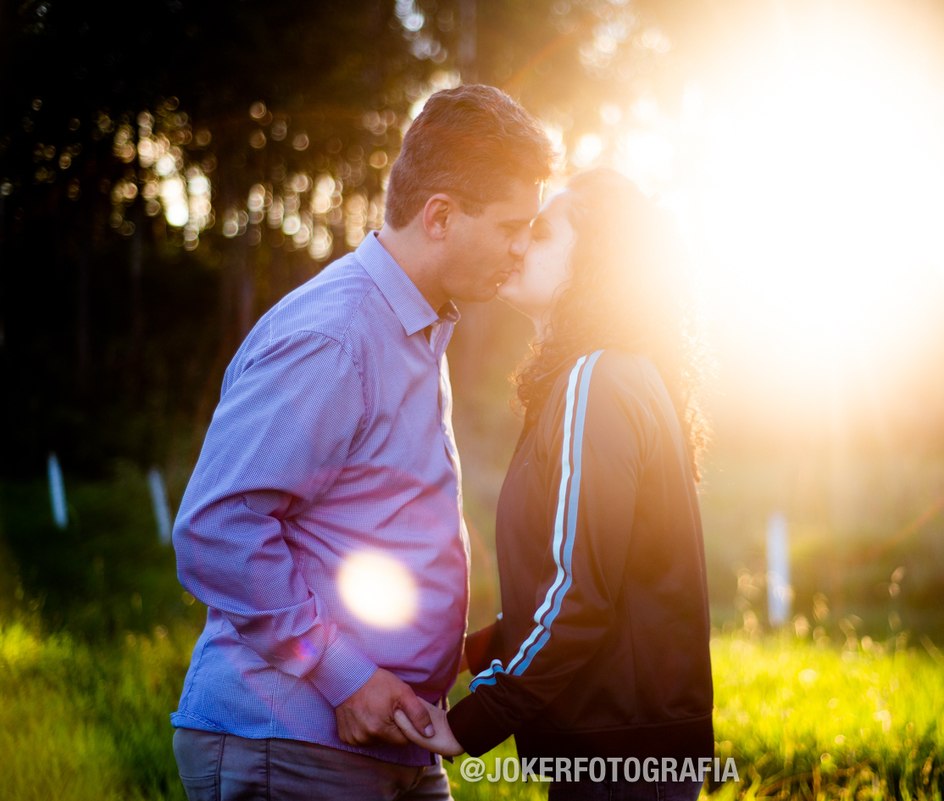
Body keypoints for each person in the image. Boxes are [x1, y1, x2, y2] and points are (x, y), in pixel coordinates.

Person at [169, 84, 554, 801]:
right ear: (439, 215)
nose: (522, 246)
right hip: (291, 742)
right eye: (512, 224)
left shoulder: (417, 324)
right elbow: (217, 527)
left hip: (390, 738)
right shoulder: (334, 336)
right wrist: (345, 674)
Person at [395, 168, 715, 801]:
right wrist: (464, 650)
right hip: (633, 746)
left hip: (614, 754)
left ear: (596, 260)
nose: (516, 246)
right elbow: (604, 582)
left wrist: (471, 721)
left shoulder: (595, 381)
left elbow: (578, 594)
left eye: (539, 233)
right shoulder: (613, 375)